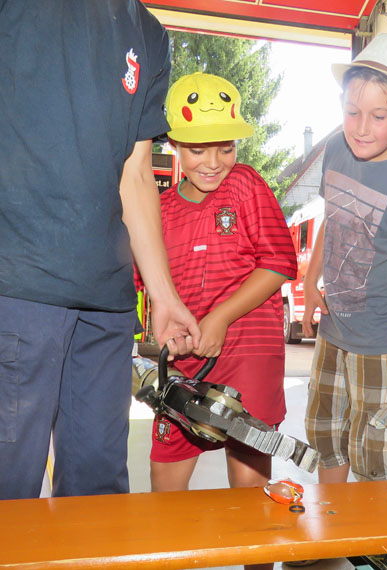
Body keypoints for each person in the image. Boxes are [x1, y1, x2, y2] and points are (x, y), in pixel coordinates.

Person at [0, 0, 199, 501]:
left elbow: (136, 174)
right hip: (18, 286)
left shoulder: (149, 33)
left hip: (107, 305)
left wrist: (164, 296)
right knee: (9, 486)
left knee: (99, 488)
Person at [149, 73, 297, 517]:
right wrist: (165, 335)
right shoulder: (158, 211)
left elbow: (279, 262)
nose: (214, 162)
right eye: (198, 149)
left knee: (251, 499)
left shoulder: (246, 183)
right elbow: (152, 289)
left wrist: (219, 318)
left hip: (250, 357)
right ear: (173, 144)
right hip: (184, 365)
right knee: (164, 491)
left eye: (226, 147)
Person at [301, 33, 387, 484]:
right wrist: (310, 283)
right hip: (334, 333)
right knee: (326, 439)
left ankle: (377, 534)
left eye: (379, 116)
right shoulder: (336, 149)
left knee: (378, 459)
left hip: (385, 345)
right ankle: (334, 527)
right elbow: (332, 217)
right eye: (352, 112)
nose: (361, 128)